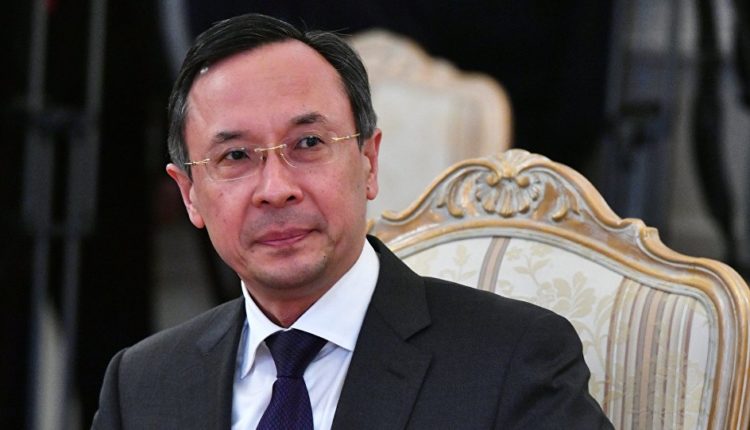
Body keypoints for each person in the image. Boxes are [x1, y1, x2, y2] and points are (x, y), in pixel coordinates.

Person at [92, 13, 613, 429]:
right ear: (189, 195)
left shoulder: (510, 359)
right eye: (235, 156)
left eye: (308, 143)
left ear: (368, 162)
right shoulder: (141, 384)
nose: (275, 188)